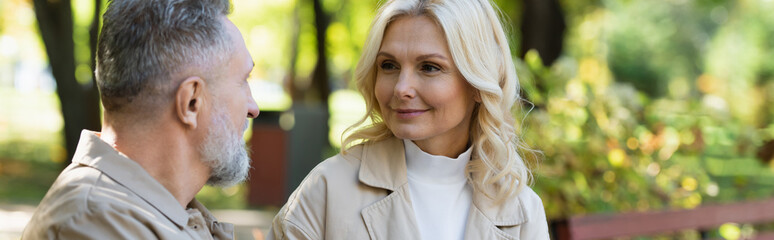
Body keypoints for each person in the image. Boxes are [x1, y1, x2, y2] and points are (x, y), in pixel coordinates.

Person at [268, 0, 549, 239]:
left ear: (478, 84)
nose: (402, 88)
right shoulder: (327, 189)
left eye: (429, 67)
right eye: (389, 65)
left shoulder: (523, 211)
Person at [22, 0, 259, 239]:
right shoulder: (94, 222)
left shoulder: (150, 211)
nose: (253, 108)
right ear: (191, 102)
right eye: (243, 81)